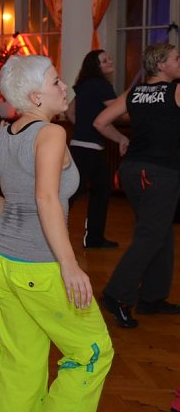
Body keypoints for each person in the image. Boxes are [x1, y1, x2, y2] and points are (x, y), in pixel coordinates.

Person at [0, 55, 113, 411]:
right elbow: (46, 198)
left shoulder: (3, 136)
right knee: (92, 352)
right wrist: (69, 264)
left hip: (1, 262)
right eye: (55, 82)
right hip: (40, 267)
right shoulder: (51, 133)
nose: (64, 88)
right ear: (35, 97)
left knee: (20, 363)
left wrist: (19, 214)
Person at [94, 42, 180, 328]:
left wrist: (121, 139)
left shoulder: (135, 92)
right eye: (176, 58)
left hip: (132, 170)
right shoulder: (176, 91)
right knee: (151, 235)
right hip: (159, 173)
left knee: (160, 232)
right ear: (162, 65)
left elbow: (100, 122)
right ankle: (116, 294)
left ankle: (152, 298)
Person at [66, 50, 118, 248]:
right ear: (96, 66)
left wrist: (83, 126)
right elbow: (118, 111)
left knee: (86, 192)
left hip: (79, 147)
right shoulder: (102, 85)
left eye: (109, 58)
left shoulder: (85, 85)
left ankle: (94, 238)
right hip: (90, 150)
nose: (110, 61)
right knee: (91, 193)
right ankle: (92, 238)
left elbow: (69, 111)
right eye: (105, 60)